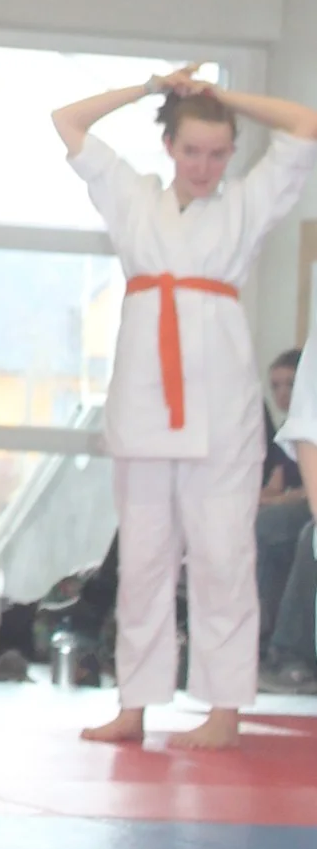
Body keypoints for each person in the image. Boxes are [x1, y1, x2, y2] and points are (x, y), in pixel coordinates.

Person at [54, 71, 317, 749]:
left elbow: (305, 123)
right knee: (143, 562)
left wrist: (224, 97)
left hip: (222, 410)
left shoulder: (246, 205)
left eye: (219, 153)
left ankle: (224, 710)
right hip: (145, 405)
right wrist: (148, 89)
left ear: (232, 153)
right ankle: (134, 706)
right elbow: (68, 120)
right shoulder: (132, 198)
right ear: (168, 146)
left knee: (224, 558)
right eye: (192, 150)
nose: (204, 166)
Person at [256, 348, 308, 645]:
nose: (283, 393)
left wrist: (279, 499)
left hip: (305, 506)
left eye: (291, 384)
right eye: (275, 386)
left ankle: (268, 639)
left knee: (267, 524)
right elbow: (274, 486)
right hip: (289, 503)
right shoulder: (285, 433)